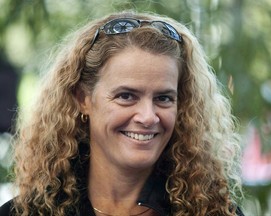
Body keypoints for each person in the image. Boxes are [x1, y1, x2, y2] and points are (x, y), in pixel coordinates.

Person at [0, 11, 245, 216]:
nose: (148, 117)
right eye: (126, 96)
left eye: (163, 98)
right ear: (82, 99)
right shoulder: (25, 212)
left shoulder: (214, 211)